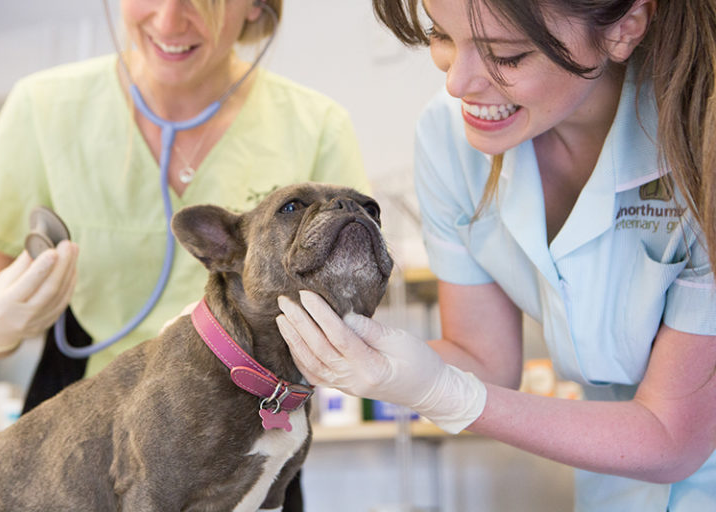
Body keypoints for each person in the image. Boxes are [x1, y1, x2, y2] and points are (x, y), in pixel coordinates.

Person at [275, 1, 716, 510]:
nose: (457, 83)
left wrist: (450, 396)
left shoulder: (699, 146)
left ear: (624, 29)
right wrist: (354, 356)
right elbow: (484, 360)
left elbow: (670, 436)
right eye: (441, 36)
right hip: (615, 486)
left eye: (506, 56)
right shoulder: (450, 139)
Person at [0, 0, 370, 509]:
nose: (169, 21)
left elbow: (353, 280)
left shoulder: (315, 123)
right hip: (88, 443)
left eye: (204, 2)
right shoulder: (43, 107)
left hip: (257, 431)